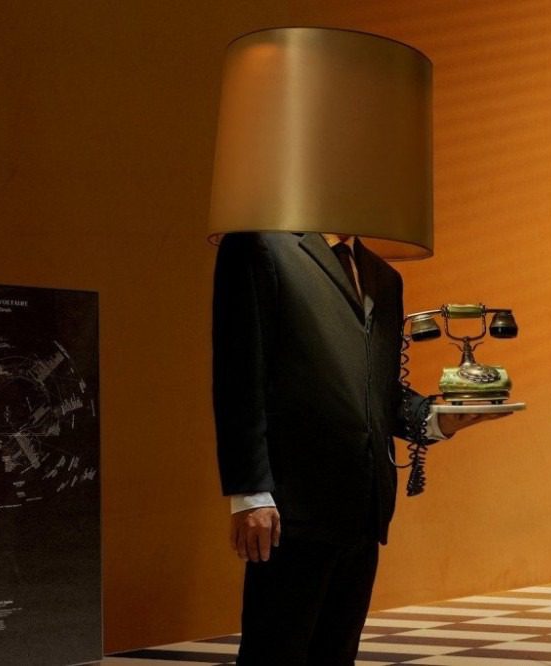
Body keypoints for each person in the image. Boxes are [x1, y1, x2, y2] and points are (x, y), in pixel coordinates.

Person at [212, 230, 501, 665]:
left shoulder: (384, 276)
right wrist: (250, 492)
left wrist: (439, 419)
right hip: (291, 506)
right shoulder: (261, 247)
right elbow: (239, 375)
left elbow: (380, 391)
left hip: (365, 505)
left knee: (337, 655)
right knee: (273, 655)